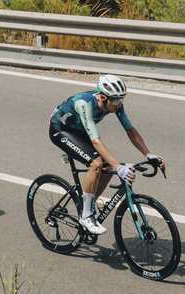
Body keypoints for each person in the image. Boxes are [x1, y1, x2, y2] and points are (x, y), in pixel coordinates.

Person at [48, 75, 161, 236]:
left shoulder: (115, 103)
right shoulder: (84, 103)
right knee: (96, 164)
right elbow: (95, 141)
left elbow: (130, 130)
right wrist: (119, 167)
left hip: (80, 131)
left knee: (108, 167)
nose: (119, 104)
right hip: (61, 130)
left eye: (121, 99)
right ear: (102, 97)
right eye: (115, 100)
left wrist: (148, 153)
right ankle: (85, 215)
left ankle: (90, 203)